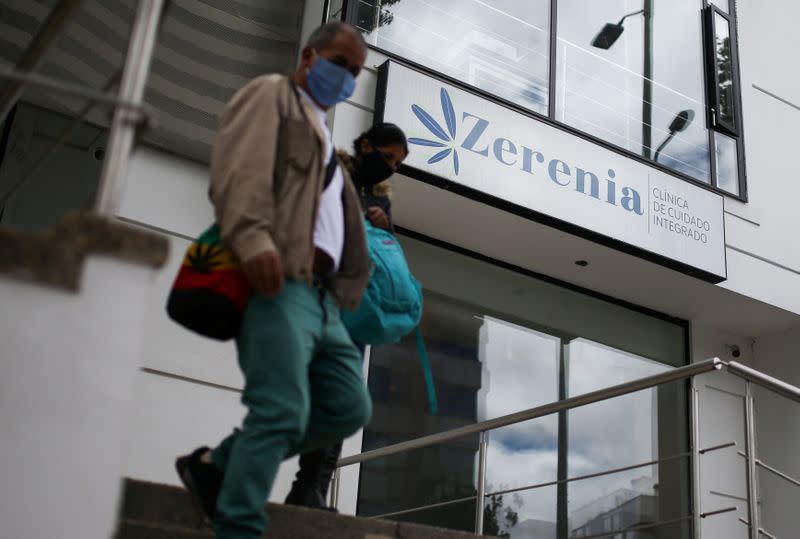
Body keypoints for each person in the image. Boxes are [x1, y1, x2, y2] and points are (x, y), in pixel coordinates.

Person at [175, 22, 372, 539]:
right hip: (280, 280)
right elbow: (240, 171)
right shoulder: (273, 96)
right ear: (308, 55)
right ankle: (237, 526)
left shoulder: (326, 134)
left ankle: (218, 466)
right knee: (282, 409)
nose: (347, 77)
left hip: (324, 300)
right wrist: (254, 238)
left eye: (355, 71)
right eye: (339, 63)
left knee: (349, 405)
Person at [284, 123, 409, 510]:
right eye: (387, 157)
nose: (391, 168)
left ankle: (313, 487)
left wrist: (385, 227)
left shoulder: (381, 200)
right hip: (313, 296)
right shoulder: (331, 174)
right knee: (301, 393)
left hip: (353, 310)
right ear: (366, 145)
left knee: (342, 398)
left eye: (398, 163)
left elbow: (381, 255)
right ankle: (235, 467)